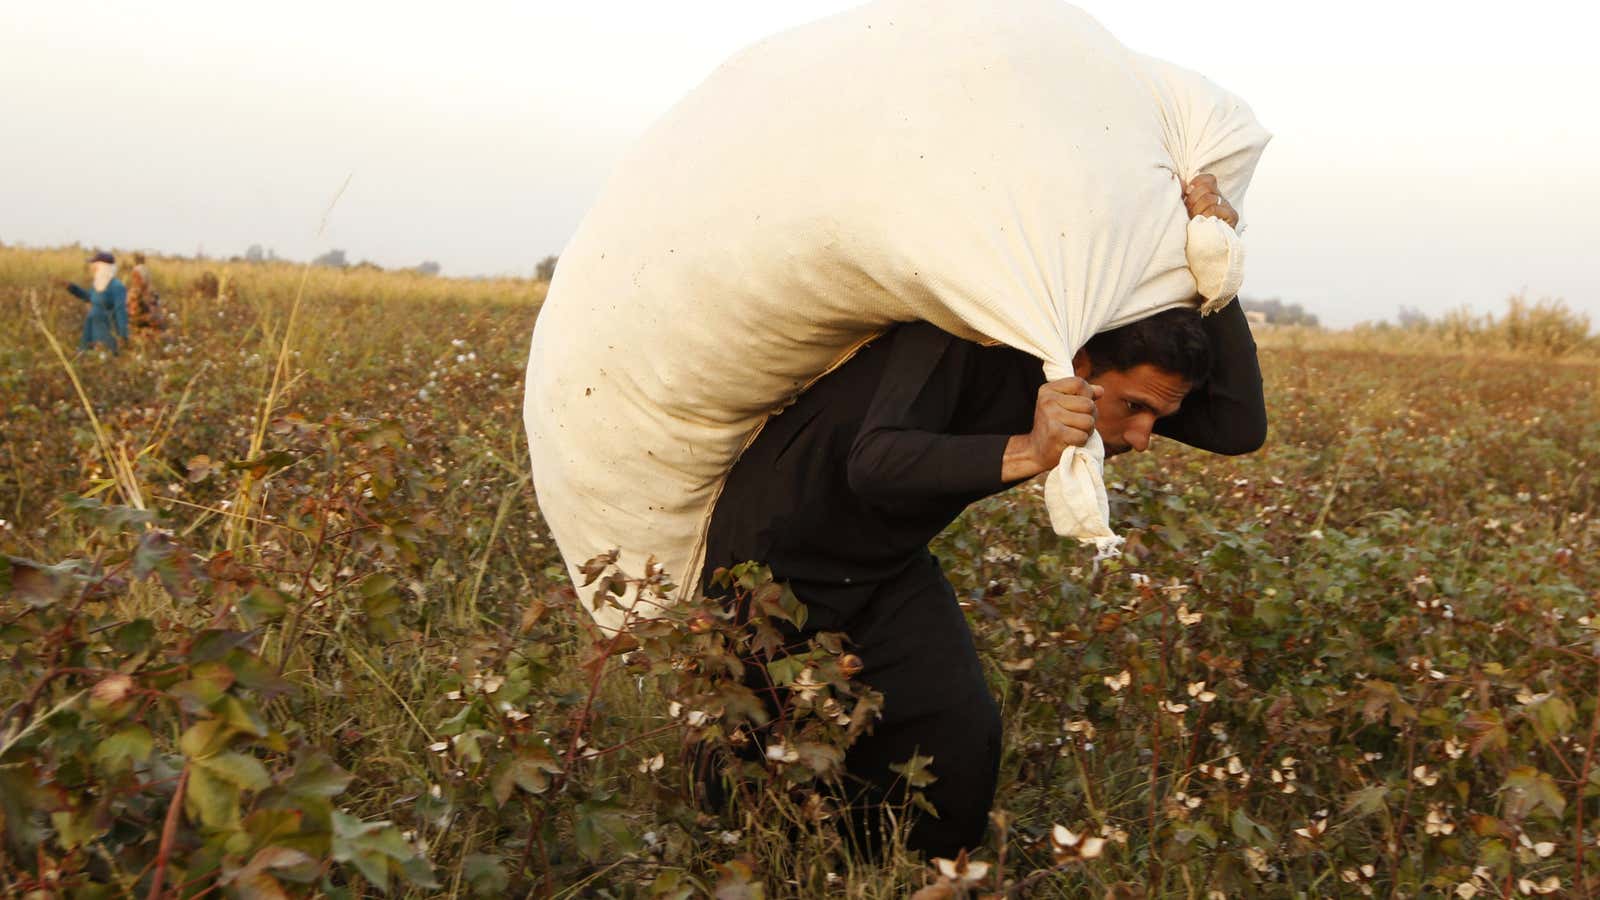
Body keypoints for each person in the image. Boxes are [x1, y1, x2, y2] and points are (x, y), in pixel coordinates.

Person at [696, 177, 1265, 859]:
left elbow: (1238, 427)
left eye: (1157, 418)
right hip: (772, 562)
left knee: (959, 736)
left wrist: (1219, 266)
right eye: (1135, 408)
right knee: (749, 772)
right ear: (1080, 365)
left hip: (885, 566)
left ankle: (921, 878)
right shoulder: (967, 328)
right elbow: (872, 463)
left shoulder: (1104, 371)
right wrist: (1029, 449)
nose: (1143, 437)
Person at [61, 251, 129, 354]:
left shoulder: (117, 287)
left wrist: (123, 336)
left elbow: (121, 311)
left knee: (103, 356)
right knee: (88, 356)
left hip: (106, 331)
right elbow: (90, 297)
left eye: (95, 265)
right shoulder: (98, 284)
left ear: (102, 267)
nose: (92, 268)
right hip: (91, 328)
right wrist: (72, 288)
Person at [125, 252, 163, 332]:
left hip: (149, 329)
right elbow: (127, 312)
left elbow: (156, 317)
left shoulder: (152, 294)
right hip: (133, 327)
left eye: (138, 278)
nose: (135, 281)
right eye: (134, 277)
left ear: (144, 278)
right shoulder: (132, 292)